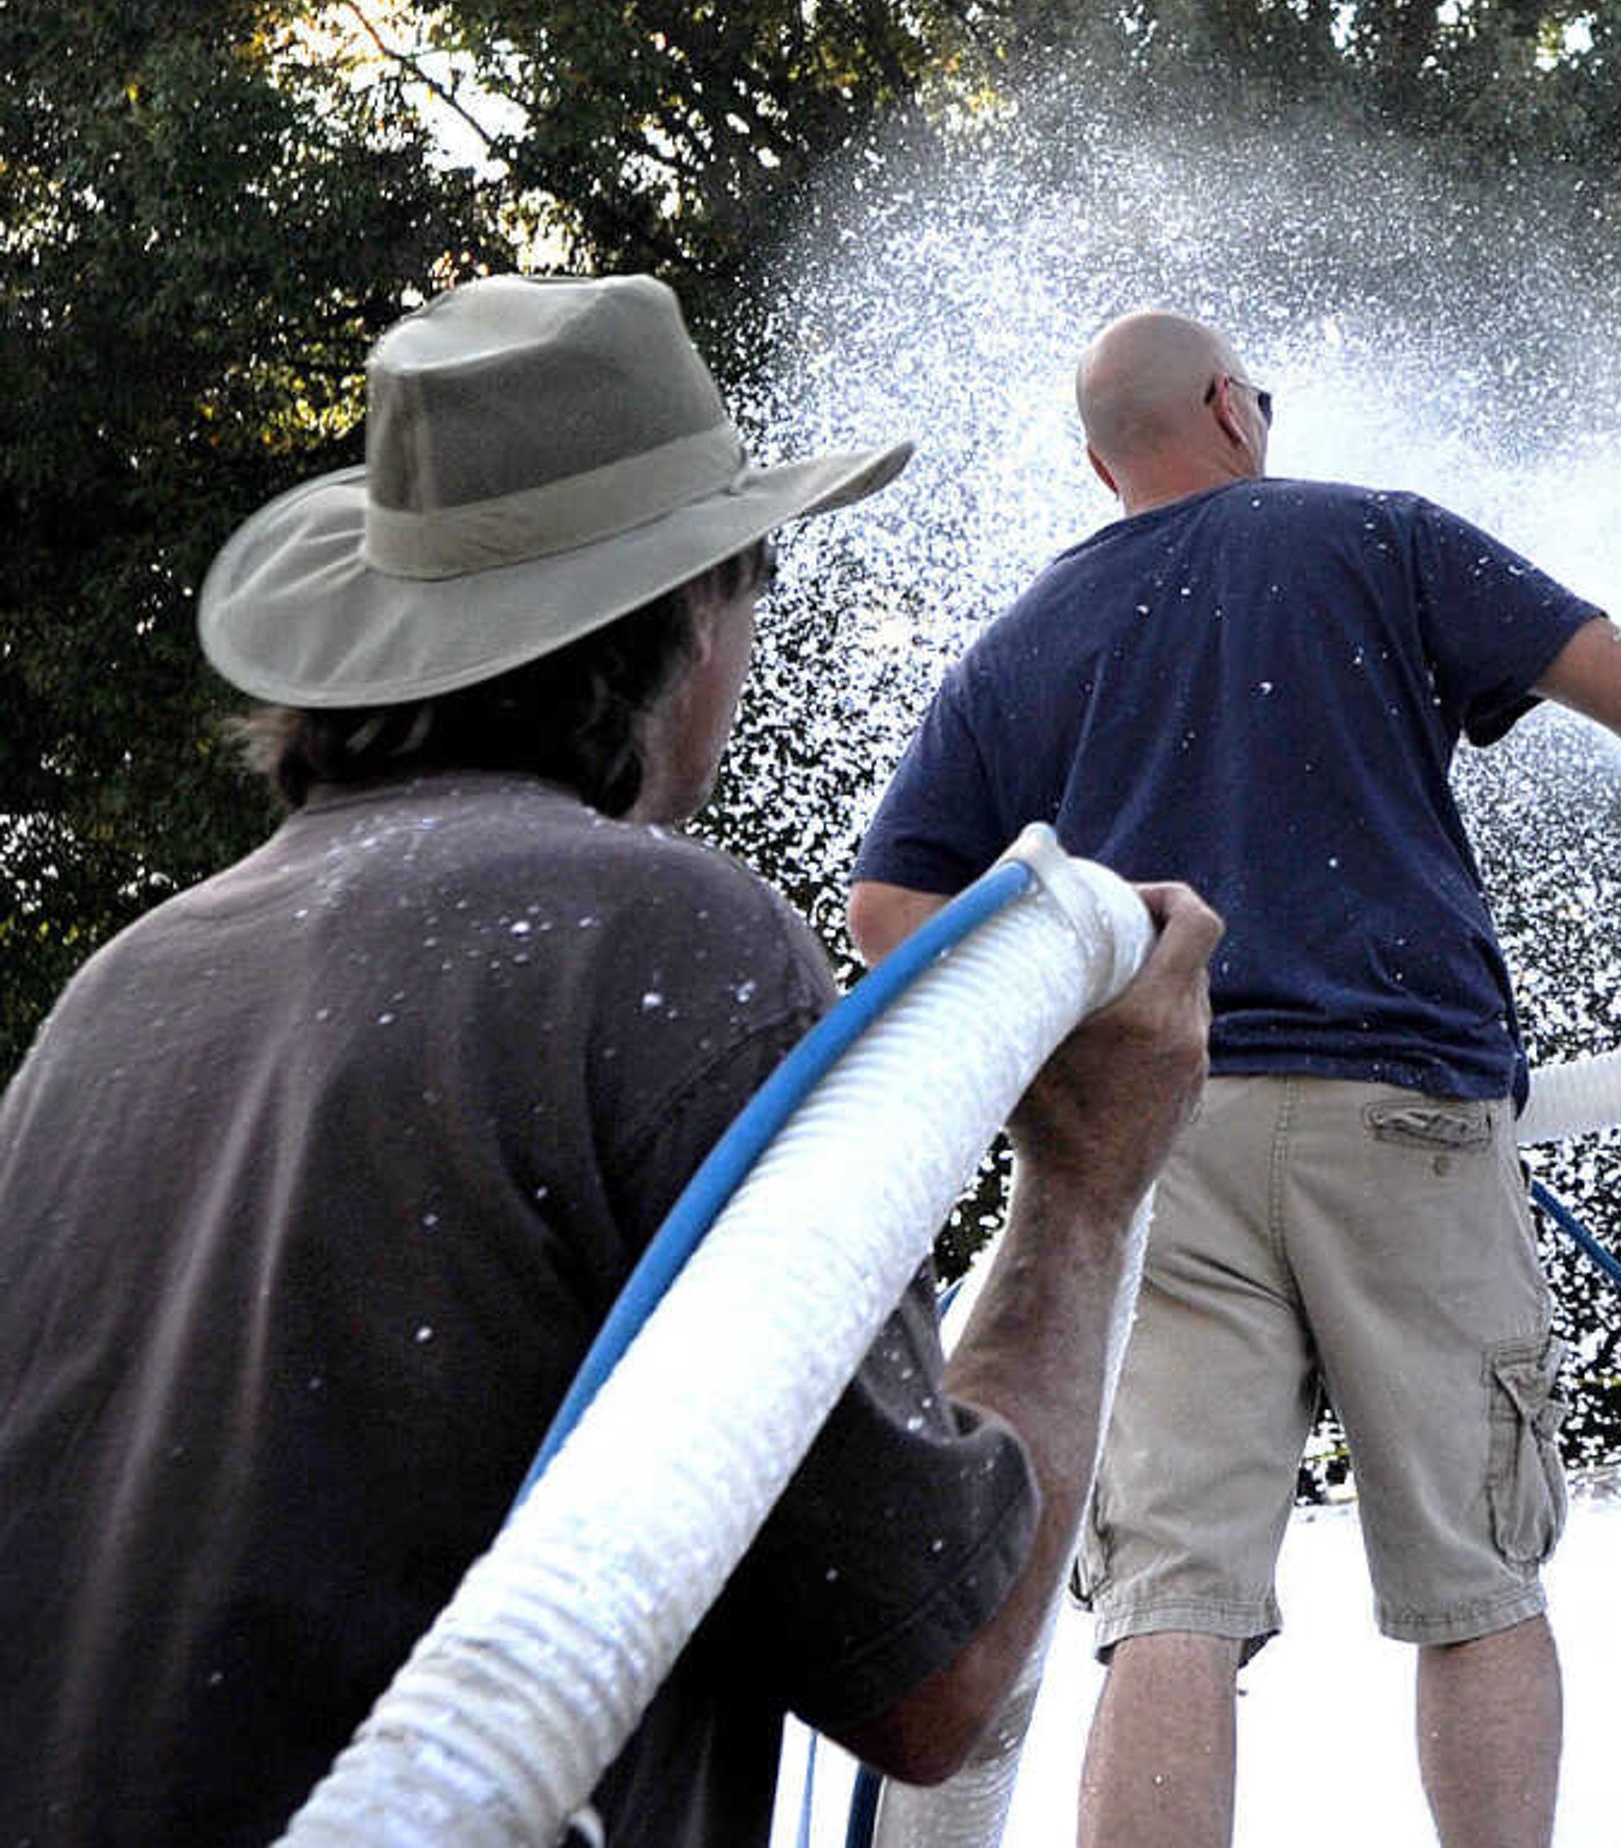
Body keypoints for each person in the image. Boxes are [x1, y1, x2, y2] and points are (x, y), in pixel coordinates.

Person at [0, 273, 1217, 1848]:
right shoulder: (660, 942)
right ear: (689, 619)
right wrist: (1088, 1181)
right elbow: (939, 1667)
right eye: (749, 581)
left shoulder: (121, 993)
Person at [847, 308, 1621, 1848]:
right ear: (1232, 407)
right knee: (1475, 1580)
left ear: (1103, 464)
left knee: (1169, 1599)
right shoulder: (1379, 536)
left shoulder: (1029, 637)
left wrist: (1086, 1014)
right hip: (1407, 1116)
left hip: (1161, 1137)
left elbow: (890, 916)